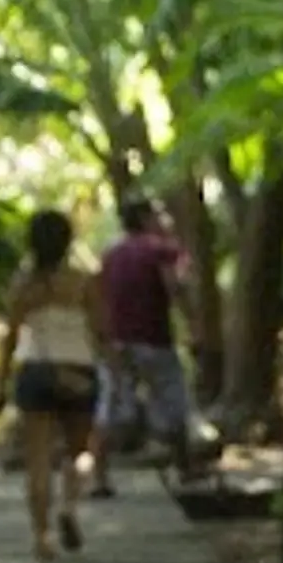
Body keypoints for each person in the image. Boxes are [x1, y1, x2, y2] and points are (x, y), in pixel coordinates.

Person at [0, 210, 108, 561]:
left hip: (35, 373)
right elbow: (101, 330)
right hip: (78, 370)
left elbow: (10, 338)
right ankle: (68, 507)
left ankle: (41, 538)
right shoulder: (83, 282)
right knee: (77, 453)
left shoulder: (22, 285)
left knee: (38, 459)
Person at [93, 196, 196, 494]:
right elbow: (173, 288)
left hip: (118, 342)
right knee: (173, 399)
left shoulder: (110, 254)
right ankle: (185, 467)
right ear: (146, 218)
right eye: (158, 214)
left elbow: (99, 296)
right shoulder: (162, 250)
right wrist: (192, 324)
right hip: (154, 339)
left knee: (109, 407)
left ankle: (100, 476)